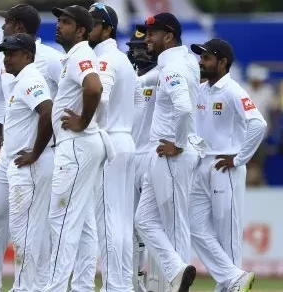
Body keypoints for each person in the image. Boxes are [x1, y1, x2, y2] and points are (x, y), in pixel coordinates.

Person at [0, 4, 62, 291]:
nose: (3, 26)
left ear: (20, 27)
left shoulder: (50, 60)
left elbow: (61, 103)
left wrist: (45, 147)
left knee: (29, 225)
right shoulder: (9, 61)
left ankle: (32, 284)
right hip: (10, 154)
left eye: (8, 22)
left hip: (34, 155)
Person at [43, 5, 113, 292]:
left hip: (76, 146)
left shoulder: (80, 54)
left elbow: (95, 89)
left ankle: (55, 287)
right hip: (81, 145)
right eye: (59, 20)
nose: (59, 25)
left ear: (82, 30)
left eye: (66, 22)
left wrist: (83, 121)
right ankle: (83, 286)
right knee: (82, 224)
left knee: (60, 220)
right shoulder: (76, 55)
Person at [190, 38, 265, 292]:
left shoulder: (234, 90)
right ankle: (233, 277)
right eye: (201, 58)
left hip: (226, 165)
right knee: (194, 226)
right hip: (202, 165)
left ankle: (229, 286)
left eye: (207, 58)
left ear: (222, 62)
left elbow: (258, 124)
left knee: (228, 235)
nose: (201, 62)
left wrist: (239, 157)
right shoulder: (201, 90)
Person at [133, 12, 201, 292]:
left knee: (174, 225)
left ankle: (174, 281)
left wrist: (179, 144)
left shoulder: (173, 68)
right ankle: (176, 270)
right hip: (165, 154)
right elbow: (146, 82)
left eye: (152, 34)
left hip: (171, 153)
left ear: (168, 36)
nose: (147, 39)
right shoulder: (181, 62)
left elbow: (184, 108)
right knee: (144, 220)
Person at [0, 32, 54, 292]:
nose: (6, 58)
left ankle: (25, 287)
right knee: (28, 230)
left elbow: (48, 112)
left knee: (24, 230)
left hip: (29, 164)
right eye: (5, 53)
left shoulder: (30, 80)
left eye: (12, 53)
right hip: (25, 163)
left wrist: (35, 152)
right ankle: (31, 286)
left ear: (28, 56)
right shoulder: (20, 80)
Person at [87, 3, 136, 291]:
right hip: (125, 138)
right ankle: (122, 284)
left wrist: (88, 125)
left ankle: (114, 286)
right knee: (120, 220)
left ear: (108, 29)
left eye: (94, 23)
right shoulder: (122, 59)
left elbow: (101, 97)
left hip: (110, 139)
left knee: (107, 221)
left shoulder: (104, 60)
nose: (88, 27)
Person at [127, 29, 166, 292]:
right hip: (130, 157)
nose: (137, 52)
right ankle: (132, 284)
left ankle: (158, 285)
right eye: (133, 47)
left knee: (153, 225)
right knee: (130, 227)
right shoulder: (131, 77)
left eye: (142, 46)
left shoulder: (162, 75)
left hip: (153, 156)